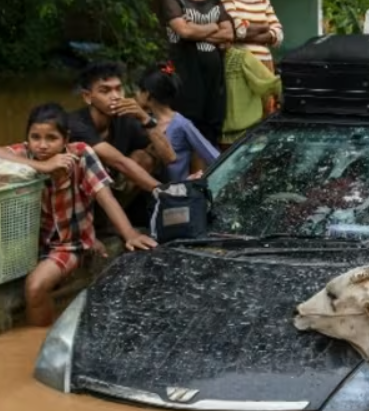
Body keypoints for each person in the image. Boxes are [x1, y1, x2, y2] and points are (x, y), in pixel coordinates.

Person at [0, 104, 156, 326]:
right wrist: (40, 166)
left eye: (51, 138)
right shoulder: (26, 154)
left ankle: (41, 347)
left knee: (35, 287)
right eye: (35, 137)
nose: (42, 145)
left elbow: (106, 197)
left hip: (69, 244)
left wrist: (129, 233)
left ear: (65, 140)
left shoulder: (81, 154)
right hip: (30, 244)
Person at [164, 0, 234, 145]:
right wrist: (213, 27)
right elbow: (184, 31)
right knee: (189, 126)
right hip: (186, 76)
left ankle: (208, 174)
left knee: (212, 127)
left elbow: (229, 32)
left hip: (214, 78)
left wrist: (198, 31)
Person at [68, 61, 172, 197]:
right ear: (87, 97)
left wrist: (145, 118)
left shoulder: (125, 118)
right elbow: (120, 162)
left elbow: (169, 157)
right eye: (105, 91)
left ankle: (122, 210)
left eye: (118, 89)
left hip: (113, 185)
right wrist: (164, 191)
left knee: (145, 156)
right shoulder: (76, 124)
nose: (116, 96)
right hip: (79, 192)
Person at [136, 63, 220, 182]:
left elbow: (211, 155)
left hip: (178, 192)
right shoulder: (143, 121)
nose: (136, 95)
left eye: (139, 91)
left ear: (148, 94)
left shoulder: (182, 124)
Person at [221, 45, 282, 148]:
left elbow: (275, 85)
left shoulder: (242, 58)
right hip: (219, 140)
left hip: (249, 138)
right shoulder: (205, 58)